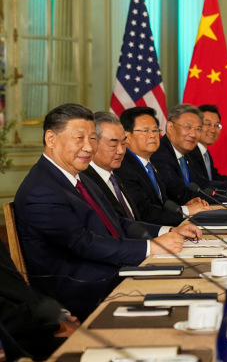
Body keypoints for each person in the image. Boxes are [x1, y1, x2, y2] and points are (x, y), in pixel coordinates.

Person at [13, 103, 200, 319]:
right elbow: (84, 243)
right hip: (83, 292)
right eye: (79, 138)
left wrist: (167, 232)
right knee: (185, 298)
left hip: (111, 271)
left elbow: (117, 222)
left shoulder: (79, 177)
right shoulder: (41, 190)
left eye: (93, 138)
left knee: (193, 279)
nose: (89, 147)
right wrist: (150, 247)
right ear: (51, 139)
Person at [116, 106, 210, 226]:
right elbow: (144, 213)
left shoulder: (150, 165)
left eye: (155, 130)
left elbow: (162, 203)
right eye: (145, 131)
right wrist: (186, 211)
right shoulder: (123, 167)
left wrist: (184, 206)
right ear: (127, 136)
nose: (152, 135)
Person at [151, 104, 227, 203]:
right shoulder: (161, 154)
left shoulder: (184, 154)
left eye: (198, 129)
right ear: (170, 127)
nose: (193, 134)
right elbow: (181, 195)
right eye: (187, 127)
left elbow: (203, 184)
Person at [0, 243, 79, 361]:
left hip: (26, 324)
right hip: (15, 337)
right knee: (80, 346)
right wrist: (56, 325)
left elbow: (19, 290)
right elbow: (7, 314)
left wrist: (58, 316)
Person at [82, 111, 140, 221]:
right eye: (113, 145)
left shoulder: (116, 177)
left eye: (123, 144)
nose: (121, 151)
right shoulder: (85, 182)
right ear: (92, 144)